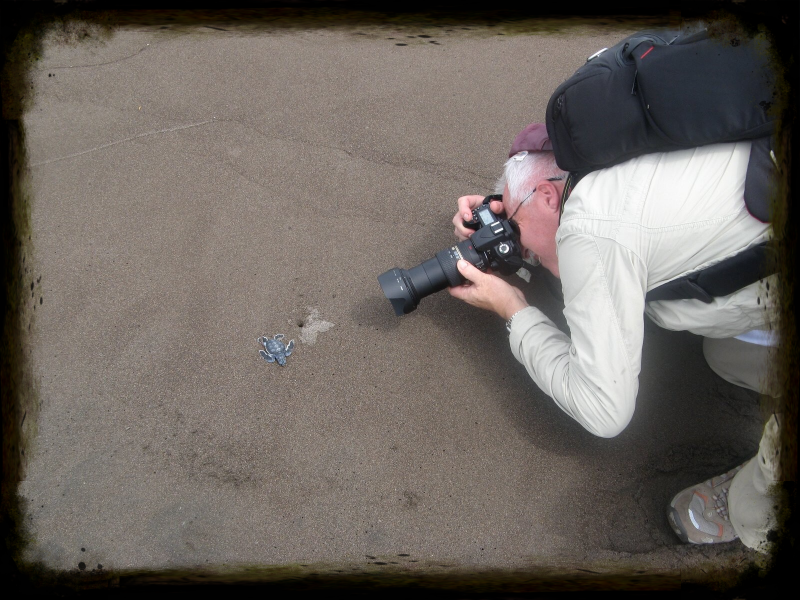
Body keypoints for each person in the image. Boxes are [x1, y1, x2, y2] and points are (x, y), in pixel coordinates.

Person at [449, 123, 782, 553]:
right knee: (726, 354)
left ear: (549, 196)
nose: (519, 248)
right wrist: (510, 210)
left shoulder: (592, 230)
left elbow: (605, 410)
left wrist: (512, 307)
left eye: (514, 229)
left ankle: (752, 509)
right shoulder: (603, 129)